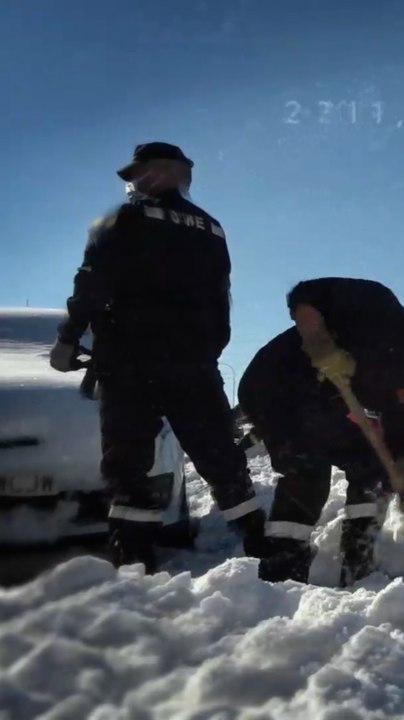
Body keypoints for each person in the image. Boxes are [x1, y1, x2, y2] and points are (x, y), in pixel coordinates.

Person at [50, 142, 265, 573]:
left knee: (128, 460)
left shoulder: (122, 219)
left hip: (130, 359)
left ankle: (135, 561)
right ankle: (263, 544)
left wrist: (68, 339)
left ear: (163, 172)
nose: (133, 184)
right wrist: (207, 350)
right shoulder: (210, 227)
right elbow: (221, 295)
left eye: (138, 174)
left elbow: (91, 282)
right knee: (219, 454)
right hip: (193, 361)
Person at [237, 278, 404, 585]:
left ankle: (357, 561)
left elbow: (399, 446)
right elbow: (304, 294)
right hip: (272, 385)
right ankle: (281, 568)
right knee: (308, 472)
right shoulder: (379, 305)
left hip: (318, 406)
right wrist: (318, 341)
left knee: (375, 470)